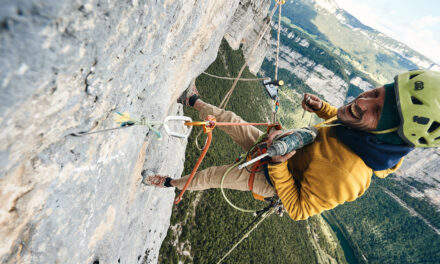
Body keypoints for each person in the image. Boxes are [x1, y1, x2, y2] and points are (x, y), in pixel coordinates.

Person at [143, 70, 440, 220]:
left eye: (377, 112)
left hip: (272, 178)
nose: (362, 102)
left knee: (212, 176)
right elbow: (341, 127)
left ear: (386, 136)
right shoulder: (363, 133)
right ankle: (191, 100)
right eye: (375, 92)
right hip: (277, 146)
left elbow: (298, 209)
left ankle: (169, 183)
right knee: (231, 118)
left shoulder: (348, 177)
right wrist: (324, 108)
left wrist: (280, 166)